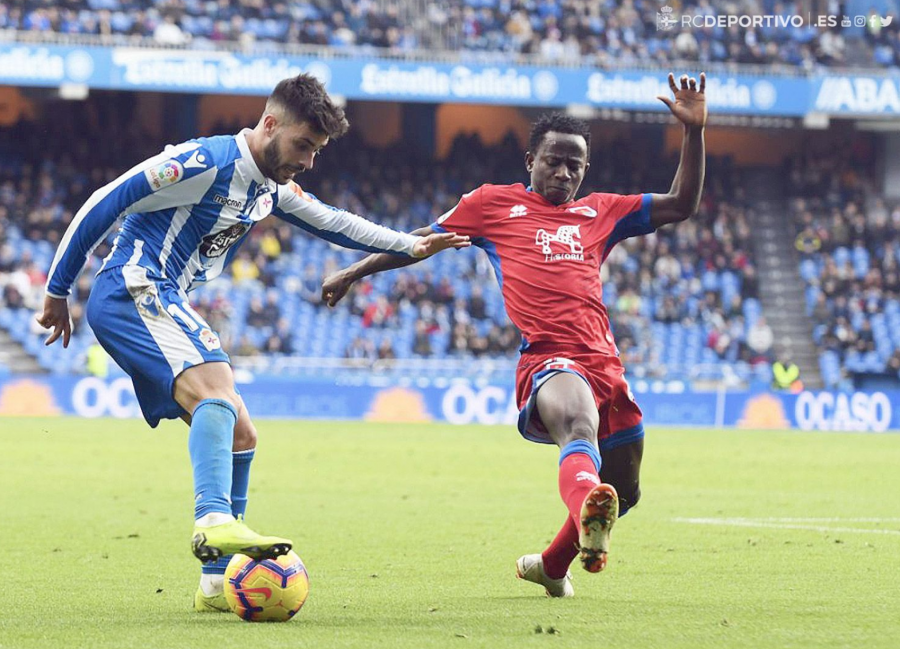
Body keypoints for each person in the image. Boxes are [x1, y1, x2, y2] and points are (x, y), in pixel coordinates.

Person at [36, 73, 469, 612]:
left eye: (317, 150)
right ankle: (214, 519)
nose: (309, 161)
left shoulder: (269, 188)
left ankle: (217, 583)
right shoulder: (205, 162)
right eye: (303, 146)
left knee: (241, 430)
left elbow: (333, 222)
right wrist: (57, 290)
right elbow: (106, 201)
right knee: (218, 386)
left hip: (163, 294)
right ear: (270, 124)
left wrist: (410, 244)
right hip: (133, 286)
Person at [322, 73, 707, 597]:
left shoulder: (602, 212)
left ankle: (550, 565)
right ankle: (587, 505)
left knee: (627, 491)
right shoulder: (491, 205)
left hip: (607, 363)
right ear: (530, 161)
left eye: (575, 164)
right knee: (577, 426)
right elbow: (418, 242)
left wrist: (694, 133)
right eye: (554, 160)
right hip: (550, 359)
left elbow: (682, 203)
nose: (564, 171)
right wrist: (353, 272)